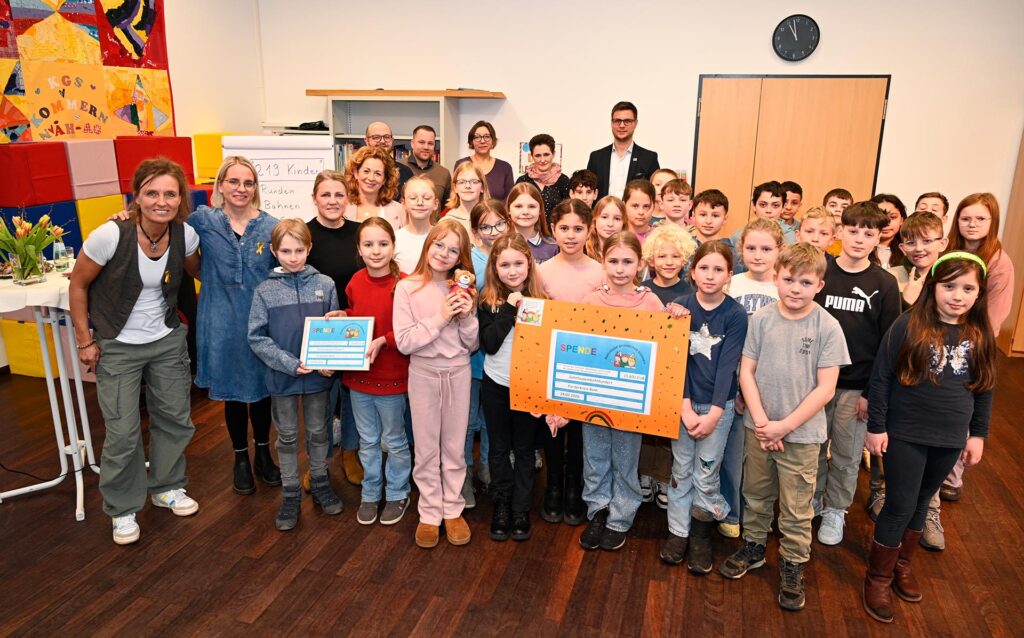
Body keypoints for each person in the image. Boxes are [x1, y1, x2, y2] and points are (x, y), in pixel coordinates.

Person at [70, 158, 201, 545]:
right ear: (137, 196)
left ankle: (167, 486)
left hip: (166, 339)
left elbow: (197, 272)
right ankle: (123, 507)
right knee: (123, 431)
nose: (161, 201)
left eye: (170, 193)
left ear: (180, 199)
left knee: (175, 417)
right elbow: (78, 286)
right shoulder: (110, 235)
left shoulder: (185, 236)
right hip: (117, 342)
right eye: (152, 193)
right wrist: (85, 340)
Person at [862, 253, 995, 624]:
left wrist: (978, 435)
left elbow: (984, 389)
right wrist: (876, 426)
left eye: (968, 288)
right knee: (900, 504)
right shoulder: (907, 325)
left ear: (979, 293)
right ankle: (879, 577)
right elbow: (881, 378)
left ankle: (903, 564)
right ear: (933, 287)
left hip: (950, 435)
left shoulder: (980, 334)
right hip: (906, 432)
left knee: (923, 501)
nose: (957, 295)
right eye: (949, 286)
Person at [719, 243, 849, 612]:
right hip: (758, 428)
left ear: (819, 285)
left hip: (802, 436)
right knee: (756, 494)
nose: (795, 288)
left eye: (805, 282)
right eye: (788, 279)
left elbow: (826, 389)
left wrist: (783, 427)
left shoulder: (828, 326)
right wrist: (762, 422)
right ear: (776, 278)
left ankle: (793, 562)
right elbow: (746, 370)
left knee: (796, 506)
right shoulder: (760, 319)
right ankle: (755, 546)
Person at [922, 193, 1015, 549]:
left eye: (980, 219)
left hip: (973, 339)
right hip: (937, 333)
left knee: (962, 403)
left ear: (992, 223)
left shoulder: (999, 261)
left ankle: (952, 474)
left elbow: (994, 312)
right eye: (966, 218)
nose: (972, 224)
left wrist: (970, 340)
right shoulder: (948, 253)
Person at [576, 232, 680, 552]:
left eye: (628, 262)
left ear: (640, 264)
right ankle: (598, 510)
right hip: (593, 395)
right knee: (594, 456)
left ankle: (620, 516)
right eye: (613, 261)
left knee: (625, 457)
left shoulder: (649, 301)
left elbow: (664, 349)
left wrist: (675, 317)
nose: (620, 269)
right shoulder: (590, 300)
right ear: (602, 261)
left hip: (630, 399)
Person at [189, 156, 280, 496]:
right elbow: (182, 254)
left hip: (260, 320)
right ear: (221, 186)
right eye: (234, 182)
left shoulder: (271, 226)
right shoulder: (201, 221)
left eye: (248, 183)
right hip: (220, 319)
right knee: (231, 392)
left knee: (261, 392)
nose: (241, 189)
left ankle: (262, 452)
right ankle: (240, 457)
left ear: (255, 188)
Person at [812, 202, 900, 546]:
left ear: (880, 238)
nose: (859, 239)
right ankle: (814, 501)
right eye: (853, 231)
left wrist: (871, 395)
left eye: (869, 233)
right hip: (816, 383)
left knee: (847, 456)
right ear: (839, 232)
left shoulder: (885, 283)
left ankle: (836, 509)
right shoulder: (822, 272)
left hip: (855, 387)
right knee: (813, 448)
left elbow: (888, 345)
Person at [248, 219, 343, 531]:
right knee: (286, 436)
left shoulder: (326, 285)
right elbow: (257, 337)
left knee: (319, 432)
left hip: (318, 378)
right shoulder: (265, 291)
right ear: (274, 251)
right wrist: (288, 362)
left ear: (309, 249)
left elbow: (334, 330)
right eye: (285, 251)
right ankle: (290, 492)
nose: (293, 257)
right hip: (283, 377)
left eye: (299, 250)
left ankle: (319, 481)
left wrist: (331, 361)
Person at [660, 240, 747, 573]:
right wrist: (684, 406)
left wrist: (713, 414)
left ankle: (700, 534)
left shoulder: (735, 314)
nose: (710, 276)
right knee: (681, 471)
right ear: (692, 272)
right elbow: (674, 361)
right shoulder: (680, 306)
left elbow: (728, 367)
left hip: (717, 407)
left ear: (729, 275)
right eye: (704, 268)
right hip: (681, 403)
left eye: (719, 269)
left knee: (707, 473)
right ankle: (678, 534)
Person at [393, 219, 479, 548]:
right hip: (423, 373)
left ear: (461, 258)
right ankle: (429, 512)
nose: (444, 254)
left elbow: (471, 345)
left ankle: (452, 509)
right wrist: (442, 315)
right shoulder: (407, 287)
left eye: (453, 250)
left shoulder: (464, 288)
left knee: (455, 447)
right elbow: (404, 341)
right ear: (428, 245)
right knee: (427, 448)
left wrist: (467, 316)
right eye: (439, 245)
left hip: (458, 372)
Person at [865, 212, 948, 523]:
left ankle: (929, 509)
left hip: (934, 379)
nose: (919, 248)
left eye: (927, 241)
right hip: (896, 374)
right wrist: (907, 299)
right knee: (885, 431)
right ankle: (879, 490)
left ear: (943, 242)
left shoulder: (950, 276)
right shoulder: (893, 277)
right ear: (901, 244)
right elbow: (888, 329)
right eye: (911, 241)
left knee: (931, 445)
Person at [537, 200, 607, 526]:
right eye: (564, 228)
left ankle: (573, 486)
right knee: (551, 426)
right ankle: (553, 485)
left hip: (586, 363)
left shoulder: (599, 271)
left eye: (578, 228)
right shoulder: (542, 271)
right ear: (553, 229)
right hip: (550, 359)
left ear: (589, 230)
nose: (570, 235)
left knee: (579, 429)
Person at [478, 233, 549, 541]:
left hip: (529, 387)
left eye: (518, 263)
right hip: (496, 385)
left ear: (529, 263)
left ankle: (520, 507)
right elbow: (489, 345)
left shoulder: (544, 301)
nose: (512, 271)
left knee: (524, 450)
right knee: (498, 449)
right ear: (494, 267)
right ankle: (502, 503)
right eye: (504, 264)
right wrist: (510, 308)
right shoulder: (487, 301)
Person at [342, 218, 412, 527]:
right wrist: (340, 317)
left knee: (395, 440)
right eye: (368, 244)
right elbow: (358, 318)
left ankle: (397, 492)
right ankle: (371, 492)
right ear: (358, 249)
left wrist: (386, 340)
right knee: (367, 440)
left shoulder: (406, 284)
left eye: (383, 244)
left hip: (393, 377)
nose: (376, 250)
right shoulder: (355, 280)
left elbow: (412, 331)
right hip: (359, 378)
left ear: (393, 247)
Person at [719, 218, 784, 539]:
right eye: (751, 248)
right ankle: (732, 510)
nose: (758, 255)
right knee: (733, 453)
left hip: (773, 383)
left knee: (767, 456)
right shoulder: (732, 284)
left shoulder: (784, 286)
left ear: (779, 251)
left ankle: (761, 515)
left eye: (767, 249)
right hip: (733, 380)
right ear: (741, 250)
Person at [304, 171, 363, 487]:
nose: (332, 201)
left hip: (354, 328)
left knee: (352, 399)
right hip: (320, 332)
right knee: (320, 404)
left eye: (339, 195)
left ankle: (350, 454)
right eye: (325, 195)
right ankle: (318, 463)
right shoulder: (305, 235)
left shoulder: (359, 233)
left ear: (348, 199)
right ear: (315, 198)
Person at [463, 200, 512, 504]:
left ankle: (488, 469)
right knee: (467, 421)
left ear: (508, 223)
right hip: (471, 356)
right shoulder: (468, 261)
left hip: (503, 359)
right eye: (485, 227)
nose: (493, 232)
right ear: (475, 231)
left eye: (498, 224)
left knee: (495, 421)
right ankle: (464, 474)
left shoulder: (515, 256)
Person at [587, 101, 661, 199]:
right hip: (601, 213)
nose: (622, 125)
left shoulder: (649, 158)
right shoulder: (596, 157)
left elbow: (655, 194)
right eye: (617, 121)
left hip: (635, 214)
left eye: (627, 121)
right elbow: (588, 192)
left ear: (635, 123)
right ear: (611, 123)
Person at [344, 145, 405, 230]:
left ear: (385, 179)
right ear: (356, 173)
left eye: (378, 173)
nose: (371, 178)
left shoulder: (400, 211)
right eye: (366, 171)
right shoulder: (342, 206)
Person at [730, 181, 785, 273]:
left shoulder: (791, 237)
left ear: (783, 207)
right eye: (763, 205)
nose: (768, 210)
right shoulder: (738, 236)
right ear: (754, 205)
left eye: (775, 205)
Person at [454, 121, 515, 203]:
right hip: (468, 214)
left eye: (487, 136)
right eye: (477, 137)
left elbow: (510, 198)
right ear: (472, 142)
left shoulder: (505, 167)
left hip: (497, 214)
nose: (482, 141)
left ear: (493, 141)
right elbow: (456, 195)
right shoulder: (461, 164)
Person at [515, 133, 571, 221]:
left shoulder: (563, 180)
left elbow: (568, 212)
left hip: (555, 232)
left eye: (546, 155)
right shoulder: (523, 181)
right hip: (527, 232)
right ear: (532, 156)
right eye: (538, 155)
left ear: (553, 154)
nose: (542, 160)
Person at [641, 223, 697, 305]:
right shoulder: (641, 291)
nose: (669, 262)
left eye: (675, 256)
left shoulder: (691, 295)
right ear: (651, 260)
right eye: (662, 256)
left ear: (684, 259)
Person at [394, 176, 439, 274]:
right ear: (403, 203)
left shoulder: (442, 237)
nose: (420, 203)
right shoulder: (394, 239)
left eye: (426, 198)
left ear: (435, 204)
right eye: (413, 198)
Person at [507, 182, 558, 263]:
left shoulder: (553, 246)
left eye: (532, 206)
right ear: (509, 209)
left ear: (540, 210)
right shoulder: (500, 244)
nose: (525, 212)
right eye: (518, 206)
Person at [401, 125, 451, 204]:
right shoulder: (397, 168)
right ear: (412, 143)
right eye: (421, 142)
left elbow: (448, 206)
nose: (426, 147)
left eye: (430, 143)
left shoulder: (444, 173)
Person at [443, 162, 490, 238]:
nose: (468, 186)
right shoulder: (446, 221)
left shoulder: (492, 219)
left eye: (474, 182)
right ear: (455, 188)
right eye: (461, 182)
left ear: (482, 187)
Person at [365, 120, 413, 193]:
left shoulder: (405, 171)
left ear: (392, 140)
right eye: (376, 137)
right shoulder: (356, 169)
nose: (382, 141)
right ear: (367, 141)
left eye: (387, 137)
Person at [872, 193, 908, 275]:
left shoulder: (907, 250)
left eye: (893, 217)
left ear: (902, 220)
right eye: (880, 217)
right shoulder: (860, 247)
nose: (886, 223)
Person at [585, 196, 625, 260]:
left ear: (624, 223)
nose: (610, 224)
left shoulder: (628, 253)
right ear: (594, 220)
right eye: (604, 217)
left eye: (617, 219)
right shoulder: (581, 250)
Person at [823, 188, 853, 257]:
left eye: (844, 207)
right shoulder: (816, 233)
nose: (838, 210)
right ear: (824, 207)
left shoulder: (852, 237)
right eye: (833, 206)